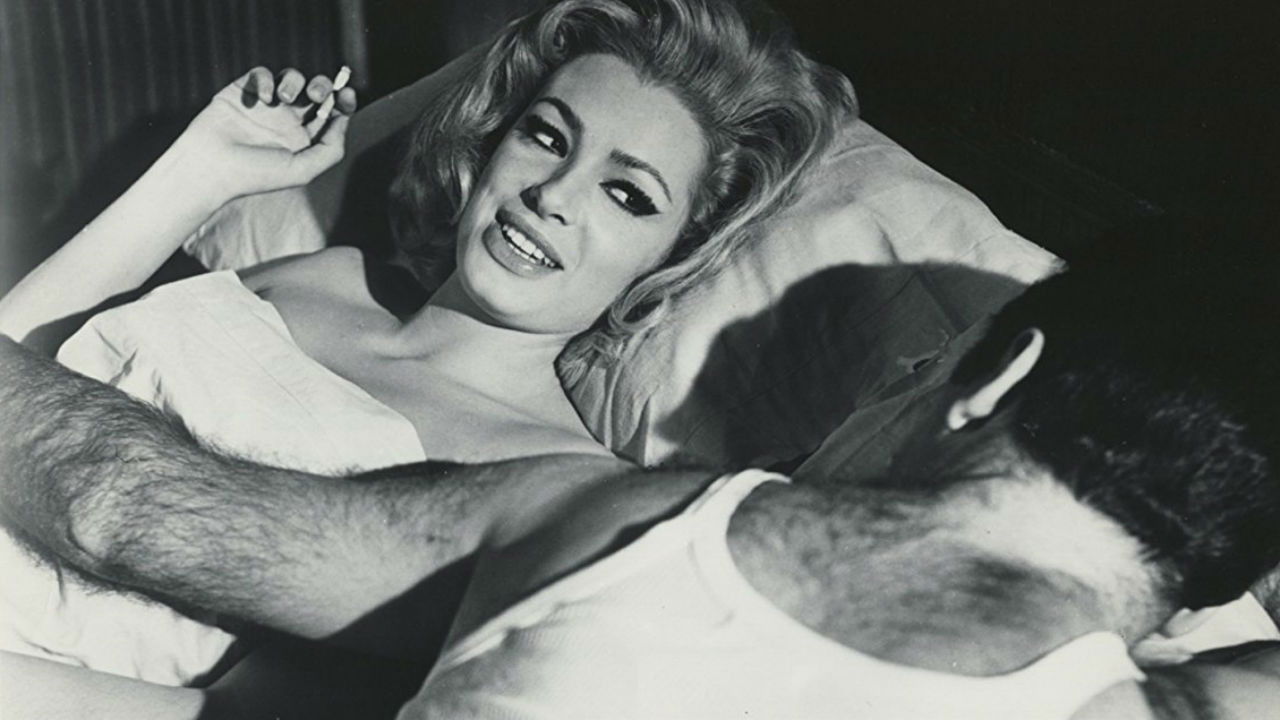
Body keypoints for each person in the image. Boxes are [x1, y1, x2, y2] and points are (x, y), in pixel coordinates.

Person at [2, 237, 1279, 719]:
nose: (885, 390)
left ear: (998, 380)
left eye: (919, 364)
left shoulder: (623, 519)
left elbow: (120, 511)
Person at [0, 0, 855, 688]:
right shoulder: (326, 275)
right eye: (547, 136)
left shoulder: (540, 479)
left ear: (674, 252)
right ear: (493, 141)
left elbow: (228, 715)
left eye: (627, 195)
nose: (553, 195)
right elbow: (24, 359)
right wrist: (205, 172)